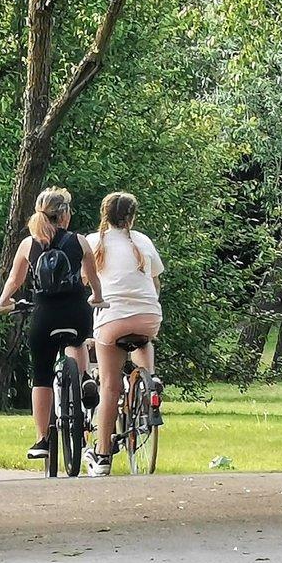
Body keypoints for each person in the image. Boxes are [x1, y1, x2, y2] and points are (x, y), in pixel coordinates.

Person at [0, 187, 105, 464]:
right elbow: (92, 278)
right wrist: (98, 299)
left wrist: (3, 302)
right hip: (77, 313)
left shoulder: (28, 244)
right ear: (65, 215)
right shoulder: (80, 242)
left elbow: (14, 282)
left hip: (44, 316)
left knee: (41, 375)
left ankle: (42, 439)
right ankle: (83, 381)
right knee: (76, 342)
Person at [84, 192, 165, 477]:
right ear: (132, 217)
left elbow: (87, 282)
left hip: (111, 319)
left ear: (104, 214)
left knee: (109, 386)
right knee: (144, 339)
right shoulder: (143, 241)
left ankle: (103, 455)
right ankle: (149, 382)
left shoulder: (93, 242)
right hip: (148, 316)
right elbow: (155, 284)